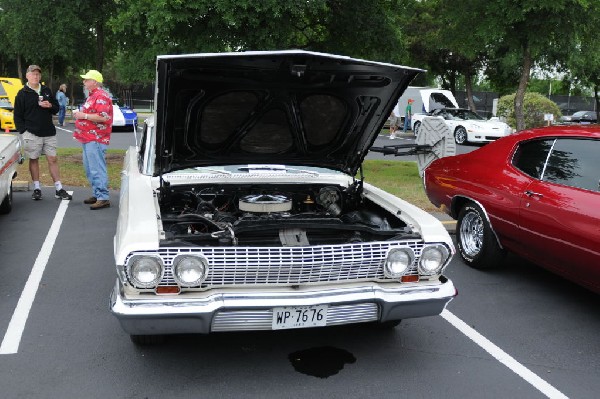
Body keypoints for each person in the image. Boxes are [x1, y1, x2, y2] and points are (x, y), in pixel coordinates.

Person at [13, 65, 72, 201]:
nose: (36, 76)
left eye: (38, 74)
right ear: (27, 76)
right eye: (33, 74)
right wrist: (24, 131)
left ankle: (58, 188)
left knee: (52, 159)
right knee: (34, 159)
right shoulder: (22, 94)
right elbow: (17, 116)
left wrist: (50, 105)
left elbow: (56, 108)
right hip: (31, 133)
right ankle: (37, 188)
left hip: (48, 132)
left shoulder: (46, 90)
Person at [72, 70, 113, 210]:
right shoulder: (92, 96)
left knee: (96, 168)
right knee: (90, 168)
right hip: (88, 137)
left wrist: (83, 115)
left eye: (86, 79)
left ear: (94, 81)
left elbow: (103, 117)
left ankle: (103, 197)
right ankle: (97, 193)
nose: (84, 82)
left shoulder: (101, 96)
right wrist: (81, 115)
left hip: (96, 138)